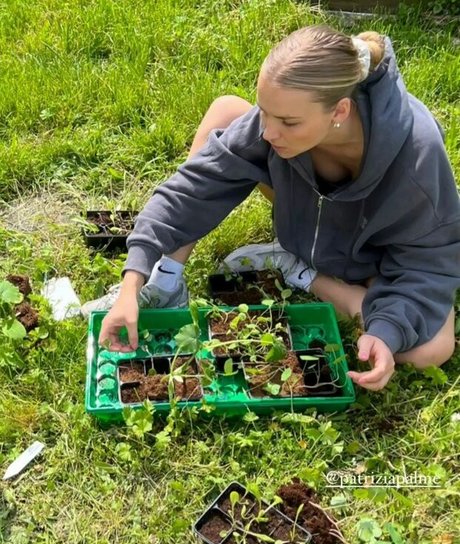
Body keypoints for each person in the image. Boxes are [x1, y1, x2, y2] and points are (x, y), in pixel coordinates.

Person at [87, 24, 460, 392]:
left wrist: (387, 330)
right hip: (305, 215)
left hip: (369, 255)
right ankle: (167, 280)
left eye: (288, 122)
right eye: (265, 112)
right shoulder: (277, 126)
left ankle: (303, 273)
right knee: (227, 112)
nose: (268, 132)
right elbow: (191, 190)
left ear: (340, 111)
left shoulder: (416, 158)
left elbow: (429, 261)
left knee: (429, 349)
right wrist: (133, 280)